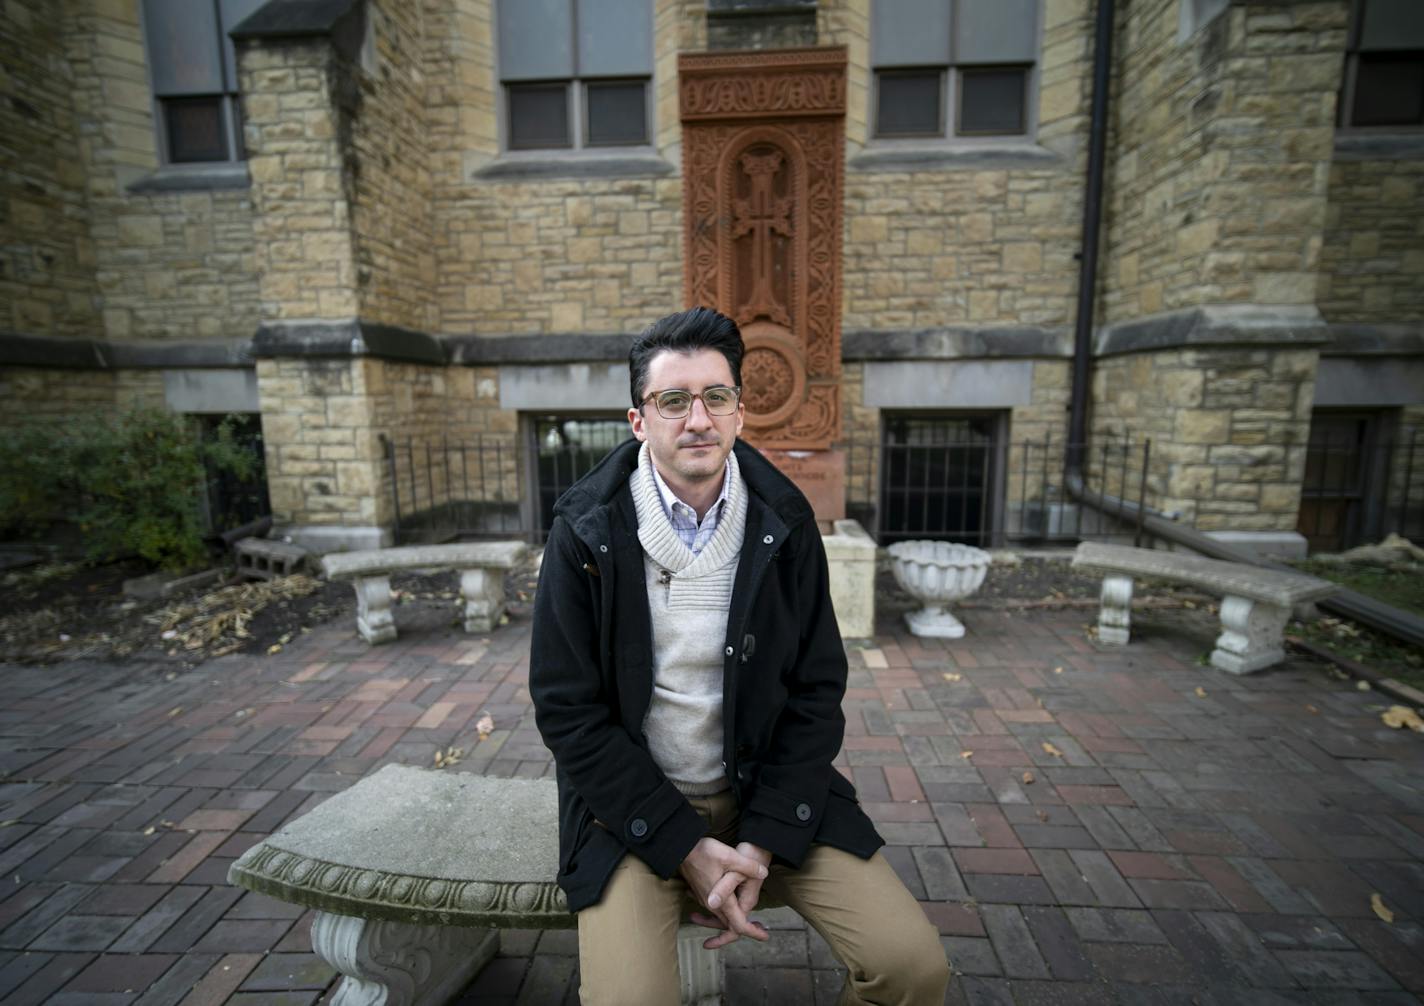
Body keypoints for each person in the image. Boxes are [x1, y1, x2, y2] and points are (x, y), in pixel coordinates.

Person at [530, 307, 949, 1004]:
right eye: (673, 400)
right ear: (639, 420)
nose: (697, 418)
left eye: (715, 397)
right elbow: (567, 712)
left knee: (911, 969)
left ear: (739, 412)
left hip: (767, 799)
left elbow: (816, 691)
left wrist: (759, 844)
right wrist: (684, 851)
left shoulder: (784, 523)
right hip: (631, 813)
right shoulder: (586, 533)